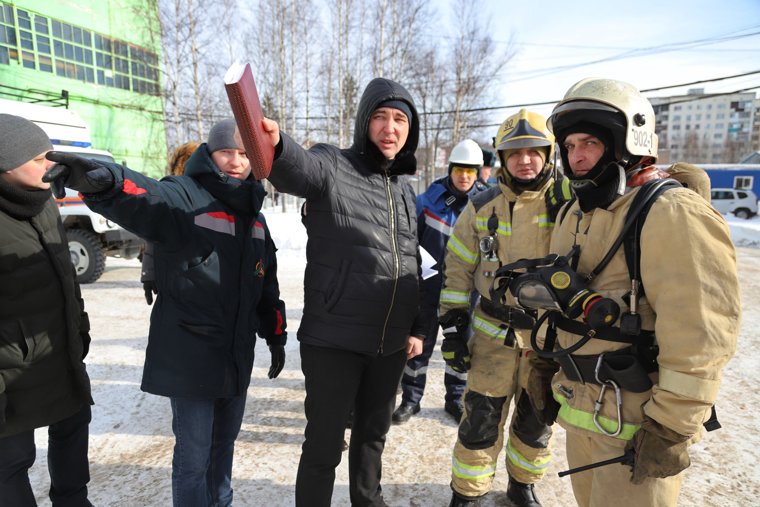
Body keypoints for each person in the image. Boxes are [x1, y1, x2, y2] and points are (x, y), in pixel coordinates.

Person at [42, 118, 288, 507]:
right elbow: (148, 196)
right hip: (190, 355)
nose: (236, 161)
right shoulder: (186, 196)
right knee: (193, 458)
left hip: (235, 357)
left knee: (223, 448)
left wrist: (275, 333)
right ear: (210, 153)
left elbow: (266, 284)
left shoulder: (255, 219)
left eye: (244, 153)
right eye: (227, 151)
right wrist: (108, 180)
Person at [537, 77, 740, 506]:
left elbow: (702, 335)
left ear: (628, 141)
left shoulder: (670, 211)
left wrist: (670, 429)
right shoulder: (575, 212)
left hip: (639, 431)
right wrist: (542, 365)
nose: (577, 157)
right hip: (583, 415)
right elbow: (559, 300)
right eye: (570, 146)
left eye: (589, 142)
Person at [260, 77, 426, 507]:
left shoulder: (406, 194)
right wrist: (278, 145)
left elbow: (417, 265)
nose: (390, 128)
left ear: (410, 130)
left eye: (400, 119)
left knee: (373, 436)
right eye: (380, 117)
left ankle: (368, 502)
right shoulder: (334, 165)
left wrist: (418, 327)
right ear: (364, 123)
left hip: (388, 343)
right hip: (334, 339)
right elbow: (298, 167)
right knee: (324, 444)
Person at [440, 109, 569, 507]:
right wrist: (453, 326)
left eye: (534, 151)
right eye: (515, 153)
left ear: (549, 155)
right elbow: (459, 267)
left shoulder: (570, 202)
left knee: (536, 422)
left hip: (548, 342)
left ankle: (522, 484)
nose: (525, 160)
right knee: (480, 422)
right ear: (501, 158)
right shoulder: (481, 206)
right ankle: (467, 493)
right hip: (492, 340)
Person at [0, 114, 94, 506]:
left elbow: (66, 275)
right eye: (39, 158)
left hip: (60, 353)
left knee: (73, 432)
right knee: (10, 463)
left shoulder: (44, 203)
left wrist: (80, 324)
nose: (50, 165)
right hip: (10, 372)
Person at [392, 139, 488, 425]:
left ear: (478, 173)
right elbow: (408, 241)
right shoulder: (427, 201)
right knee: (418, 346)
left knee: (461, 347)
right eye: (460, 169)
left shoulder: (485, 203)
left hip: (466, 292)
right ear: (450, 169)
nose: (465, 176)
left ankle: (455, 399)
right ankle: (411, 400)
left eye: (471, 171)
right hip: (428, 289)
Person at [140, 141, 200, 305]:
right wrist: (149, 273)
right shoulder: (169, 192)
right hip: (176, 275)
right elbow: (154, 233)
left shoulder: (211, 190)